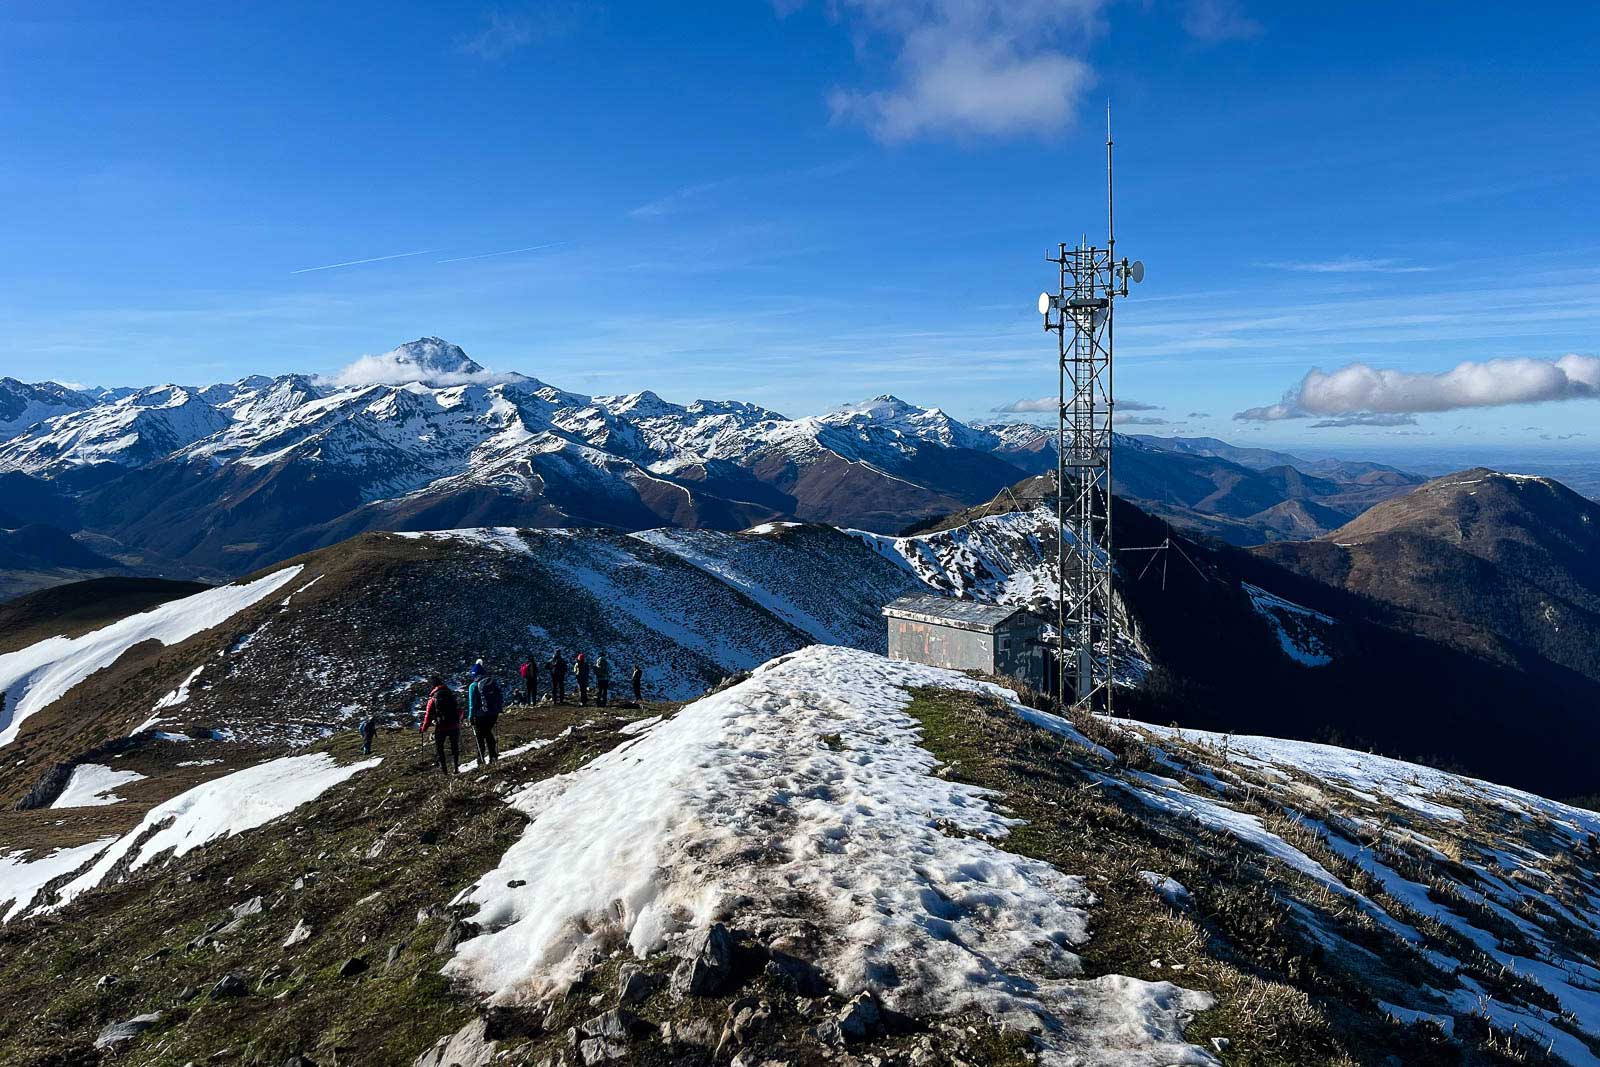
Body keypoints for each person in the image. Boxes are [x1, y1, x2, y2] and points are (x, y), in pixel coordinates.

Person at [421, 675, 461, 775]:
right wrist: (458, 720)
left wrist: (424, 728)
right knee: (454, 747)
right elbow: (459, 709)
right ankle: (456, 767)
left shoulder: (433, 698)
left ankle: (444, 771)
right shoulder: (450, 694)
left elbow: (428, 716)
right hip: (454, 725)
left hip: (441, 727)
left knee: (440, 749)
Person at [466, 660, 503, 766]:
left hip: (480, 715)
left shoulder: (473, 686)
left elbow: (472, 704)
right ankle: (493, 756)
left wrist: (470, 717)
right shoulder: (491, 681)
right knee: (487, 733)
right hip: (493, 713)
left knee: (479, 736)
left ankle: (481, 759)